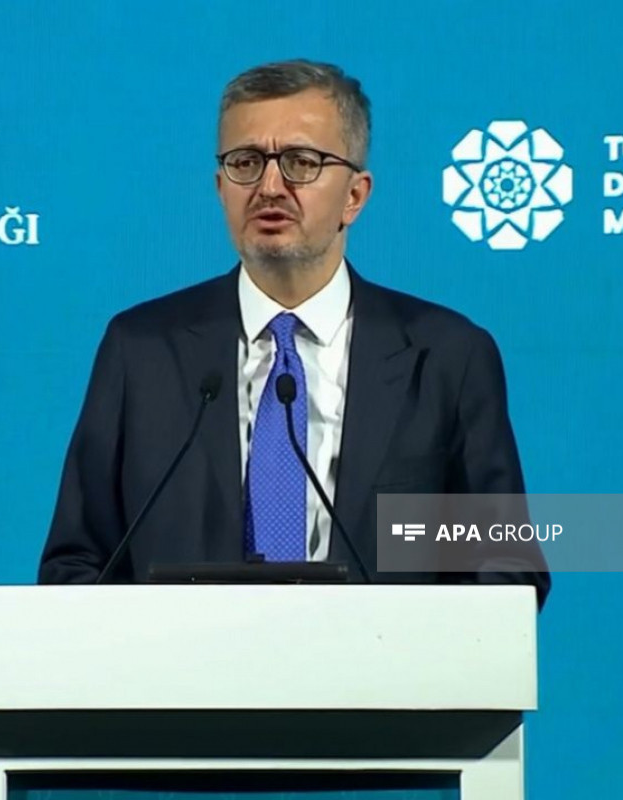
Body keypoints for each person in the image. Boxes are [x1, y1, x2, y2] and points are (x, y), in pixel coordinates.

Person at [37, 59, 549, 608]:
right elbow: (77, 565)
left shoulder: (446, 356)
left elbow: (503, 567)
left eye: (302, 162)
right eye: (245, 162)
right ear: (220, 187)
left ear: (354, 196)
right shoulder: (141, 351)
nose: (269, 186)